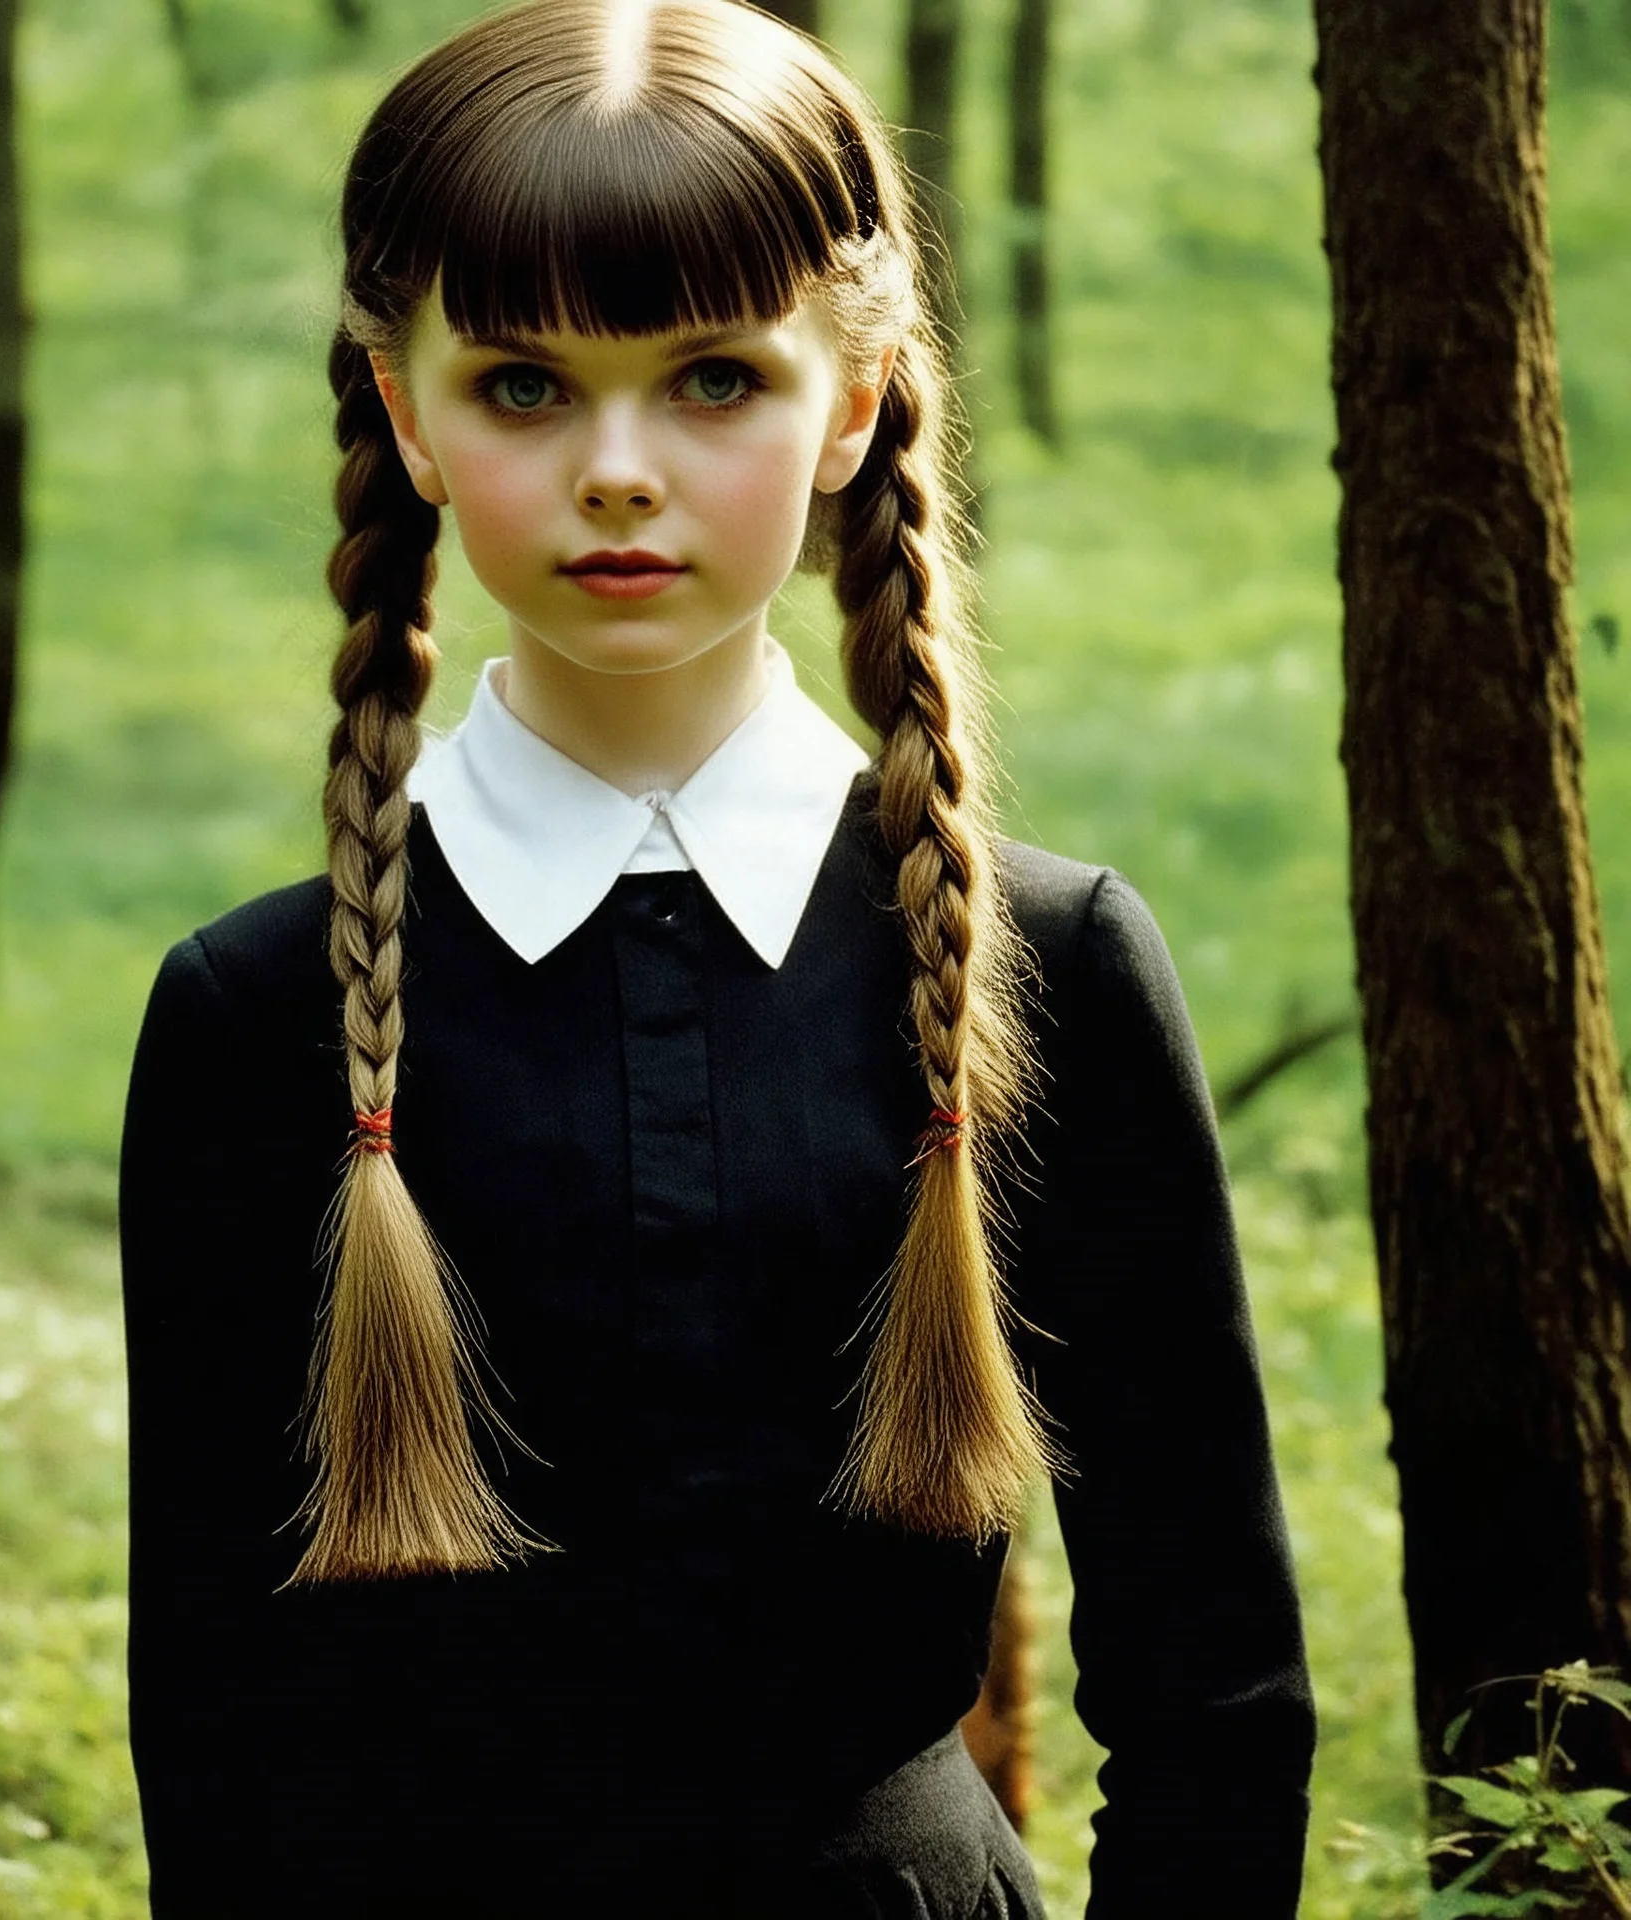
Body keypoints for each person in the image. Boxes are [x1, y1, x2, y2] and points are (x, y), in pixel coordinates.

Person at [117, 0, 1317, 1912]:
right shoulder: (254, 1020)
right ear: (404, 407)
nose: (617, 468)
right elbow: (220, 1707)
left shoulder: (1060, 969)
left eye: (710, 379)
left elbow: (1214, 1686)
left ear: (850, 400)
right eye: (522, 383)